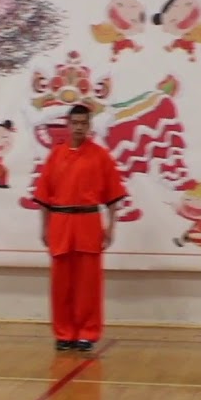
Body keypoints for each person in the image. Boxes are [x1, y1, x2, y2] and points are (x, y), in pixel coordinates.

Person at [33, 104, 127, 352]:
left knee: (88, 283)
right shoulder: (55, 156)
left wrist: (111, 228)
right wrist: (44, 227)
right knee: (61, 283)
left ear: (89, 125)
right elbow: (44, 195)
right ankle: (64, 332)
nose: (78, 127)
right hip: (61, 223)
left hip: (88, 222)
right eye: (74, 122)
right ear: (67, 124)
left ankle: (87, 332)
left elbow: (113, 197)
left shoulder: (100, 156)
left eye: (83, 123)